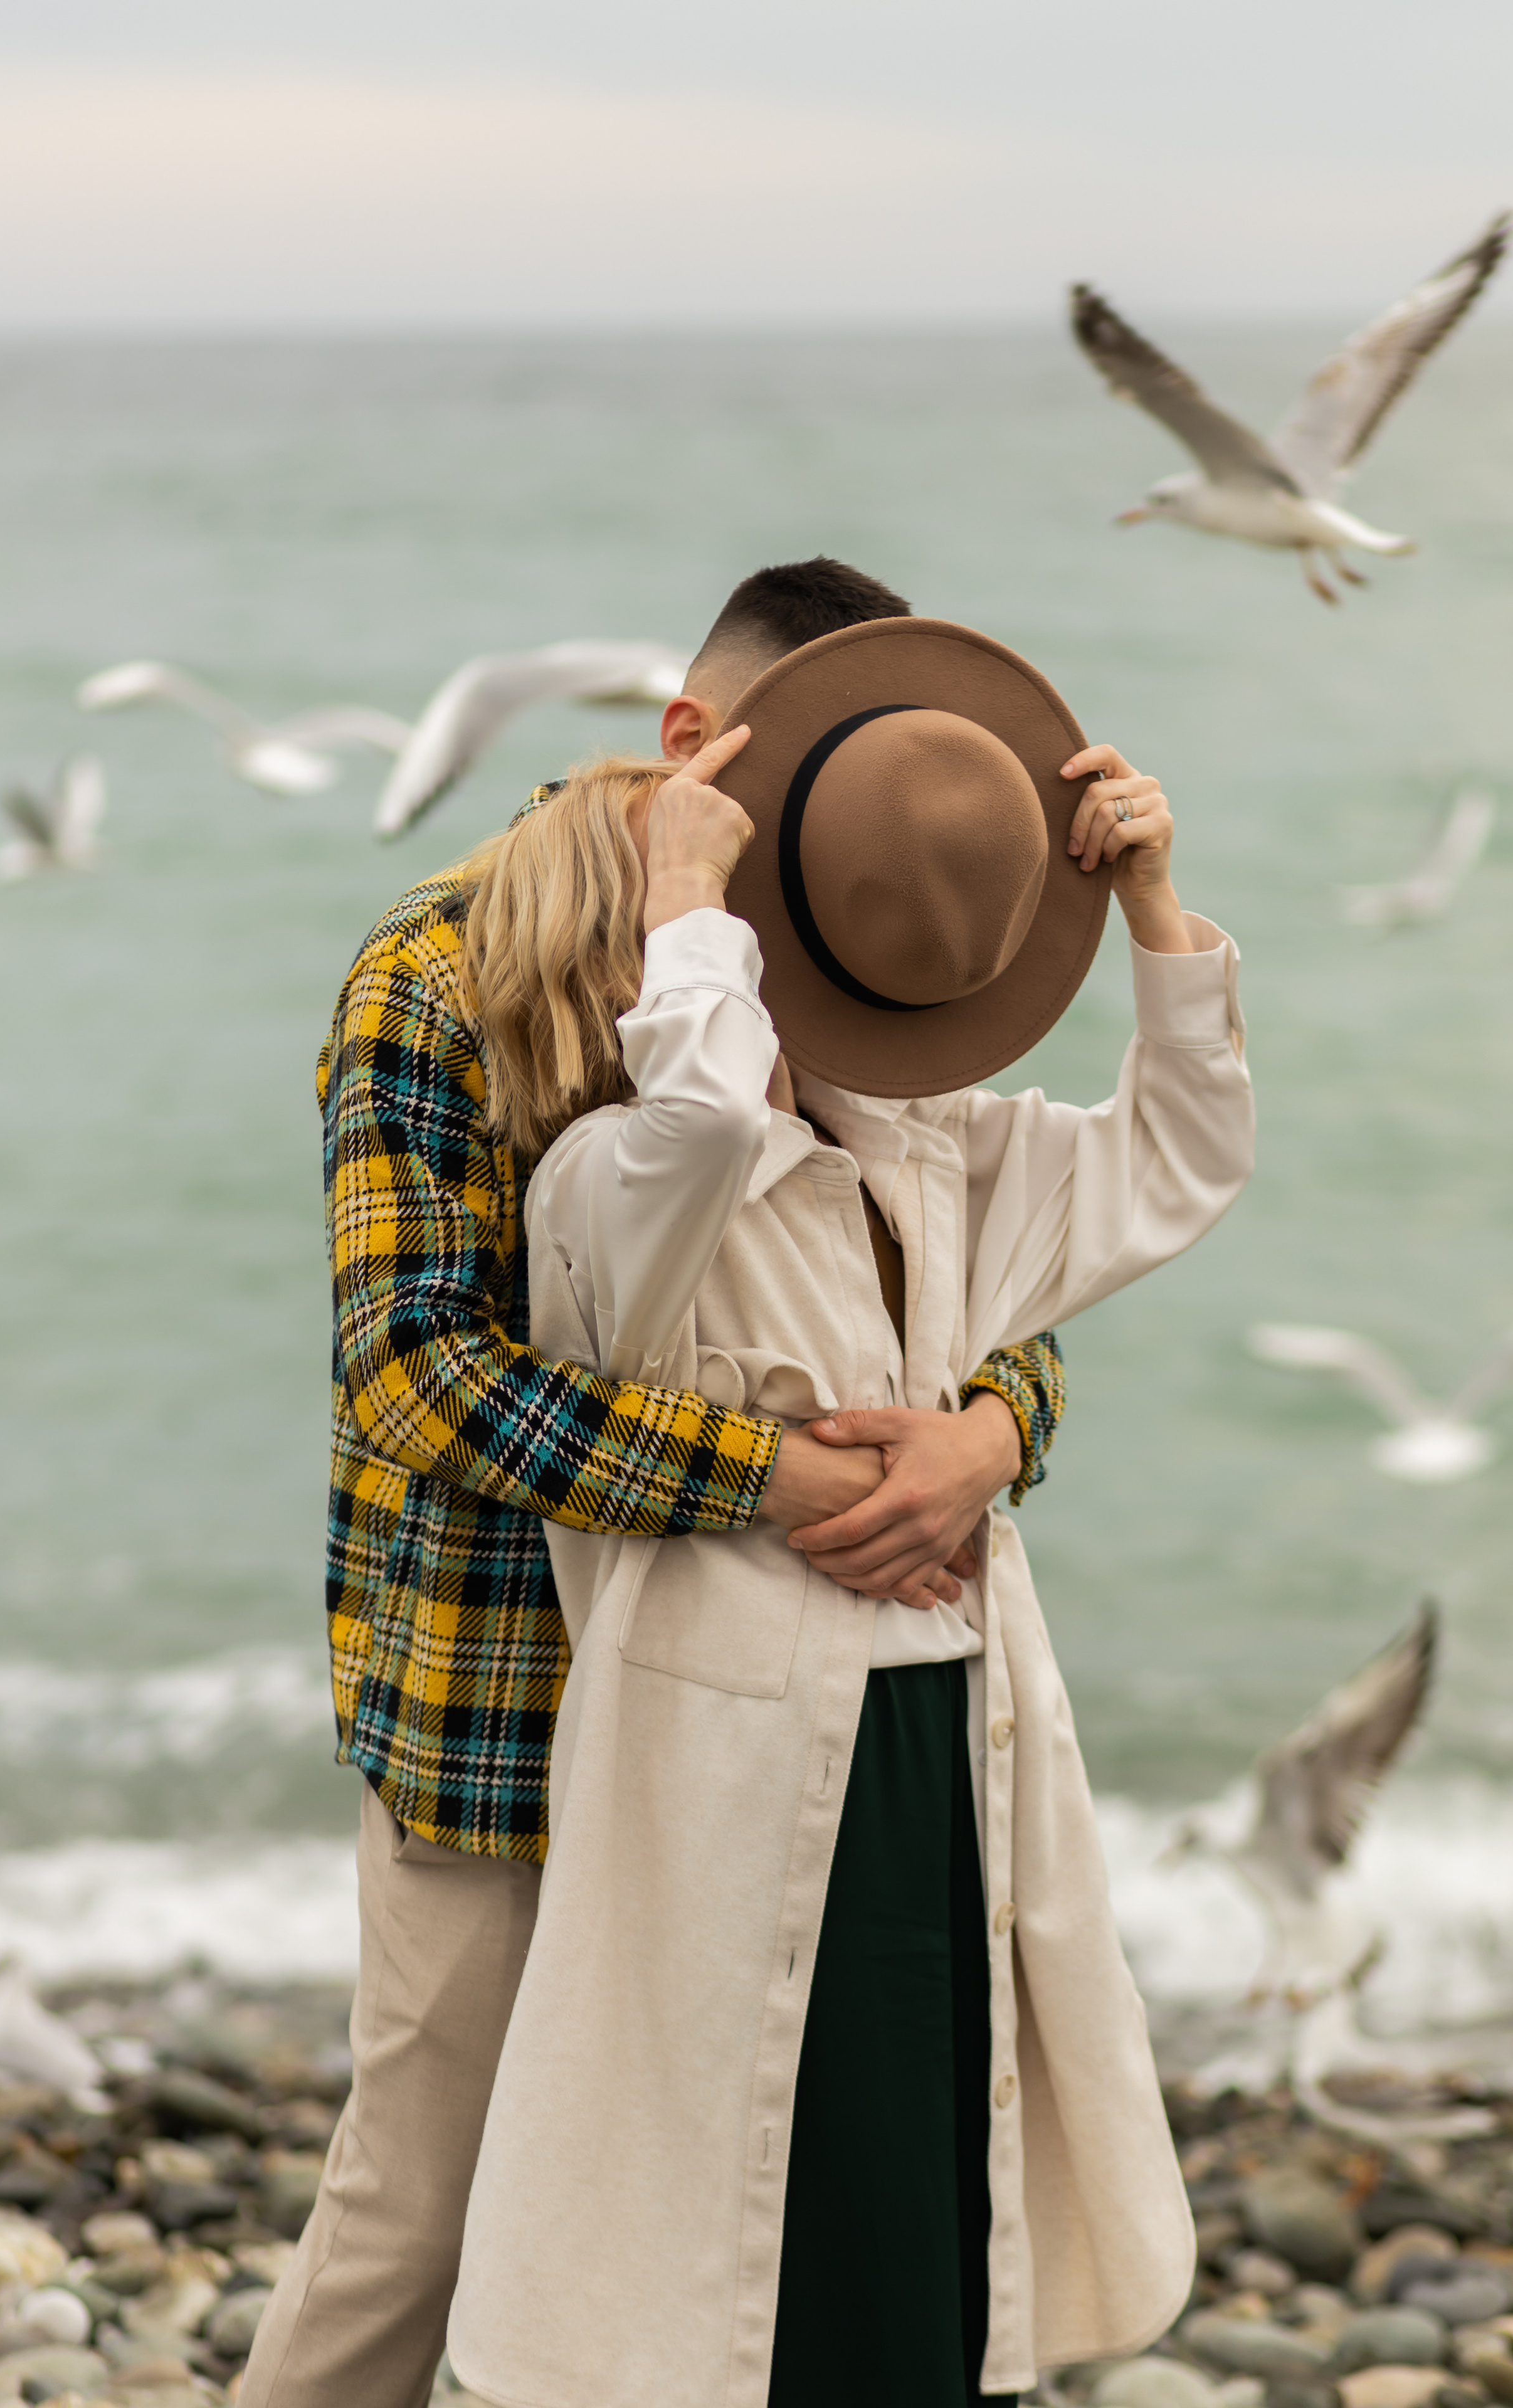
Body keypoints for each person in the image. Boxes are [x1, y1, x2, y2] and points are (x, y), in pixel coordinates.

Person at [241, 564, 1068, 2408]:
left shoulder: (845, 958)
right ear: (693, 746)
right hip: (503, 1719)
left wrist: (993, 1427)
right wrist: (765, 1475)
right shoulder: (434, 970)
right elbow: (417, 1372)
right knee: (424, 2218)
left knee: (727, 2233)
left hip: (768, 1742)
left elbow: (968, 1266)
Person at [445, 615, 1256, 2408]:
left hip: (951, 1741)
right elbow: (705, 1127)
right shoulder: (610, 1185)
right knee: (728, 2244)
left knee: (927, 2223)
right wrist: (691, 906)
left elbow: (1183, 1157)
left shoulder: (940, 1150)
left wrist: (1152, 910)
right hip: (720, 1770)